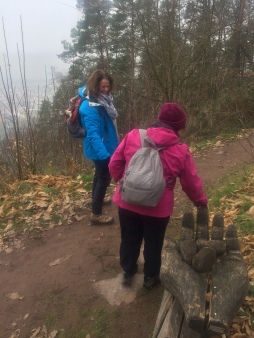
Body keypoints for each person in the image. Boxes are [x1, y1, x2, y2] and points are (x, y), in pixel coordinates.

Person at [108, 102, 208, 289]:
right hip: (158, 208)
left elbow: (114, 163)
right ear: (179, 126)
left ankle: (127, 272)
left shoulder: (134, 135)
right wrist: (200, 201)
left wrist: (120, 182)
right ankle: (150, 277)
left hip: (127, 201)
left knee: (129, 238)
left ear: (159, 119)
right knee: (154, 243)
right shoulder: (180, 149)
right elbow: (191, 182)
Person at [79, 69, 119, 225]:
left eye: (108, 86)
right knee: (104, 177)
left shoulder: (103, 100)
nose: (106, 90)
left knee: (99, 174)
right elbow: (93, 134)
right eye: (102, 87)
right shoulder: (89, 106)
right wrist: (105, 155)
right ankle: (96, 213)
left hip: (105, 145)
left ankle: (96, 199)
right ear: (95, 86)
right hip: (99, 148)